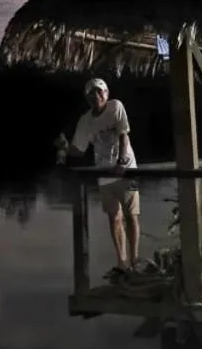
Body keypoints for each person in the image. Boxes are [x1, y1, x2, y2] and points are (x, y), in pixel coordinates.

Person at [57, 78, 140, 278]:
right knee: (114, 217)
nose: (96, 96)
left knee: (132, 215)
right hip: (104, 172)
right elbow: (78, 149)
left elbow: (123, 134)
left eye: (100, 92)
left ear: (106, 93)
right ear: (87, 98)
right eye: (92, 94)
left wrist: (121, 161)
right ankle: (122, 263)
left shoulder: (116, 107)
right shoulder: (85, 121)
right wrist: (64, 149)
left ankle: (135, 262)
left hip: (128, 169)